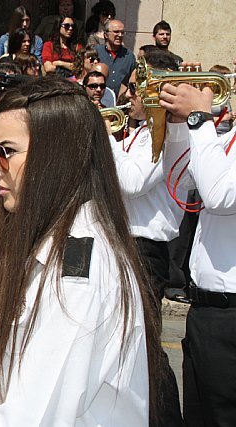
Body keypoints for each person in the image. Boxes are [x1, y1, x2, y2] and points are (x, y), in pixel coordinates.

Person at [0, 77, 163, 425]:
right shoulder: (54, 249)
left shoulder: (77, 272)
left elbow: (34, 415)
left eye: (6, 152)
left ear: (55, 156)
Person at [108, 50, 186, 426]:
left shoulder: (170, 132)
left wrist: (102, 141)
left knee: (146, 347)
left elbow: (132, 182)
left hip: (145, 249)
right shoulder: (142, 129)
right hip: (125, 243)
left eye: (139, 87)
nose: (129, 95)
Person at [159, 76, 236, 427]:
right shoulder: (228, 139)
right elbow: (182, 176)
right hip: (205, 309)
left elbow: (218, 195)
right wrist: (176, 124)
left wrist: (200, 119)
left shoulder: (215, 131)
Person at [94, 19, 135, 96]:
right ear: (106, 34)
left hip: (120, 102)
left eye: (122, 32)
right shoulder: (96, 52)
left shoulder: (129, 56)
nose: (120, 35)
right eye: (116, 32)